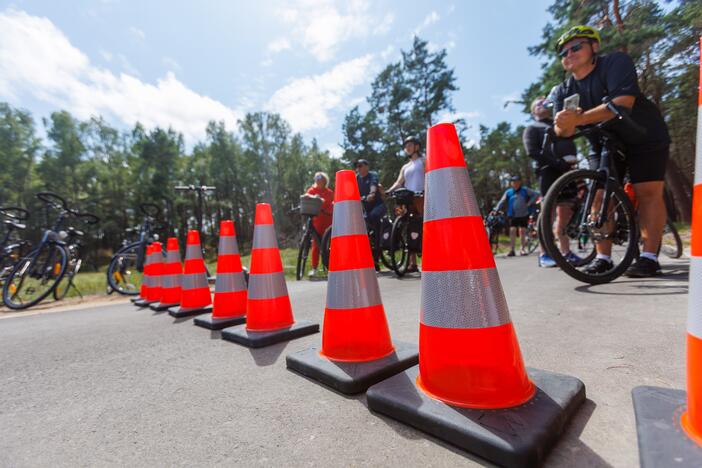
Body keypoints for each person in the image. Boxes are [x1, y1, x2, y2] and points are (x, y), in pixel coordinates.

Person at [551, 25, 671, 277]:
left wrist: (577, 119)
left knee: (647, 192)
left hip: (642, 133)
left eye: (575, 47)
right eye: (563, 52)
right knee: (598, 194)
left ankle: (649, 257)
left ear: (594, 47)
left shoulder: (615, 62)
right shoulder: (564, 89)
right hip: (604, 140)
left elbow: (621, 105)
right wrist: (562, 125)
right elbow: (562, 131)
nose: (568, 54)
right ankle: (603, 257)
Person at [523, 95, 580, 267]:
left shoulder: (558, 124)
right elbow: (532, 151)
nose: (542, 104)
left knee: (564, 214)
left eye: (545, 102)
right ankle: (544, 253)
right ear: (533, 111)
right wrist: (556, 163)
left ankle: (565, 251)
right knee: (548, 213)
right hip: (548, 173)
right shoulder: (532, 128)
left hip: (567, 172)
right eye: (538, 103)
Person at [386, 136, 425, 272]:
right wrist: (389, 191)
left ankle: (429, 257)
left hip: (421, 196)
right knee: (408, 227)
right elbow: (399, 182)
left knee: (424, 227)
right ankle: (412, 263)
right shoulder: (405, 167)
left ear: (417, 147)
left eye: (410, 145)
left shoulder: (424, 160)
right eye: (406, 146)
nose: (407, 148)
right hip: (408, 198)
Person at [493, 175, 539, 256]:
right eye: (513, 182)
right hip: (512, 214)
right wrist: (496, 209)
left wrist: (529, 203)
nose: (515, 183)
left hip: (524, 214)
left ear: (520, 182)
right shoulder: (509, 192)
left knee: (522, 231)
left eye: (517, 181)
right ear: (511, 183)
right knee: (512, 230)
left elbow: (536, 195)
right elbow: (502, 201)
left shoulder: (525, 190)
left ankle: (522, 249)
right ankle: (512, 250)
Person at [305, 172, 333, 277]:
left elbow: (331, 204)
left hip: (328, 222)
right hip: (316, 222)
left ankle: (331, 267)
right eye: (317, 179)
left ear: (325, 181)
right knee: (315, 245)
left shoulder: (329, 192)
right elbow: (306, 198)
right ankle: (314, 268)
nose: (318, 181)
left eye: (320, 179)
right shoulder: (312, 190)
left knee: (329, 245)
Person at [355, 159, 386, 231]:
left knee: (373, 216)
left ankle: (379, 240)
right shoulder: (357, 178)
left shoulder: (372, 175)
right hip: (366, 209)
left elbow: (373, 184)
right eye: (357, 166)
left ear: (367, 167)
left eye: (360, 166)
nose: (358, 168)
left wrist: (372, 193)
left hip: (378, 205)